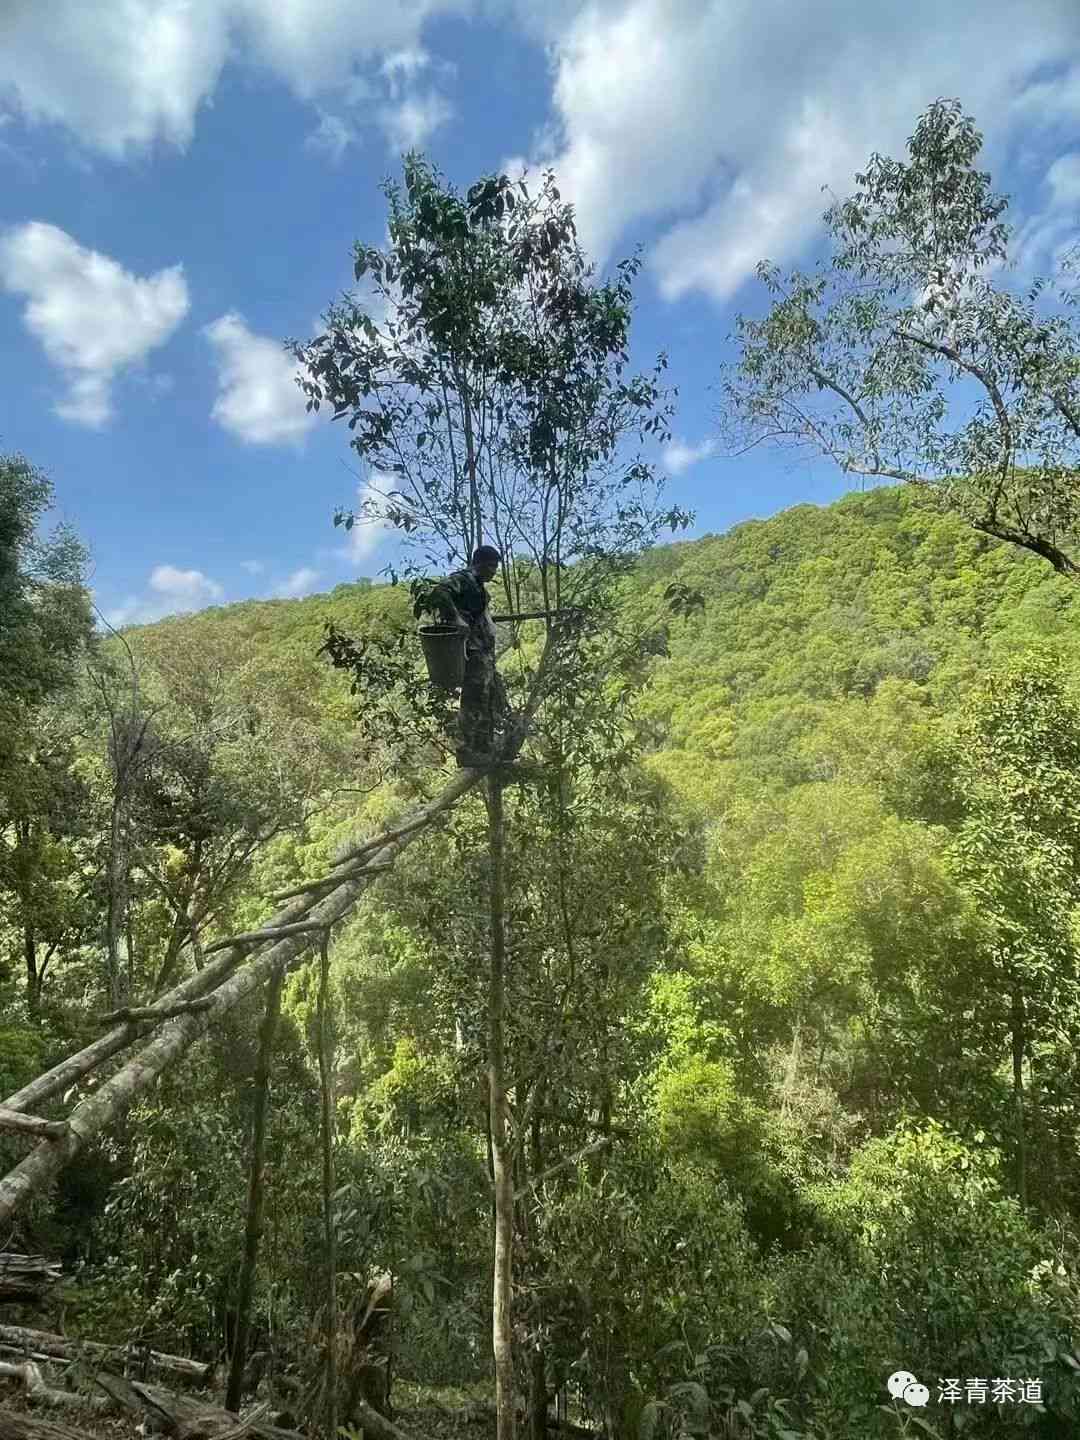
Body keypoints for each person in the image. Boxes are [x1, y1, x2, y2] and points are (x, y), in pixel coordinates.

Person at [430, 545, 509, 767]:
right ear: (480, 564)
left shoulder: (479, 587)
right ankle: (466, 750)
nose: (494, 572)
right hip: (470, 650)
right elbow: (439, 593)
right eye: (492, 566)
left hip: (482, 650)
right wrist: (456, 619)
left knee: (487, 697)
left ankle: (483, 746)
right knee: (473, 699)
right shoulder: (463, 578)